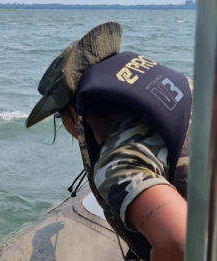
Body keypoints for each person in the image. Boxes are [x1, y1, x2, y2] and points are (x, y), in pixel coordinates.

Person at [25, 22, 192, 261]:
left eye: (58, 116)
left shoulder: (119, 160)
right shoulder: (182, 92)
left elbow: (181, 244)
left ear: (73, 114)